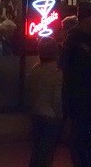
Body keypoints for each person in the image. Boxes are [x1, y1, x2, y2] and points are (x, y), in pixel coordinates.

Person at [61, 2, 91, 167]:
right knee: (84, 137)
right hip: (81, 96)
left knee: (90, 136)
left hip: (89, 96)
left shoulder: (89, 38)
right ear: (87, 18)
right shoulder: (75, 38)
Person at [27, 39, 64, 167]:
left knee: (37, 150)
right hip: (51, 116)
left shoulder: (35, 69)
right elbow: (57, 99)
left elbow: (30, 92)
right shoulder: (56, 73)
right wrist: (60, 115)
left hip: (36, 113)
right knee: (47, 153)